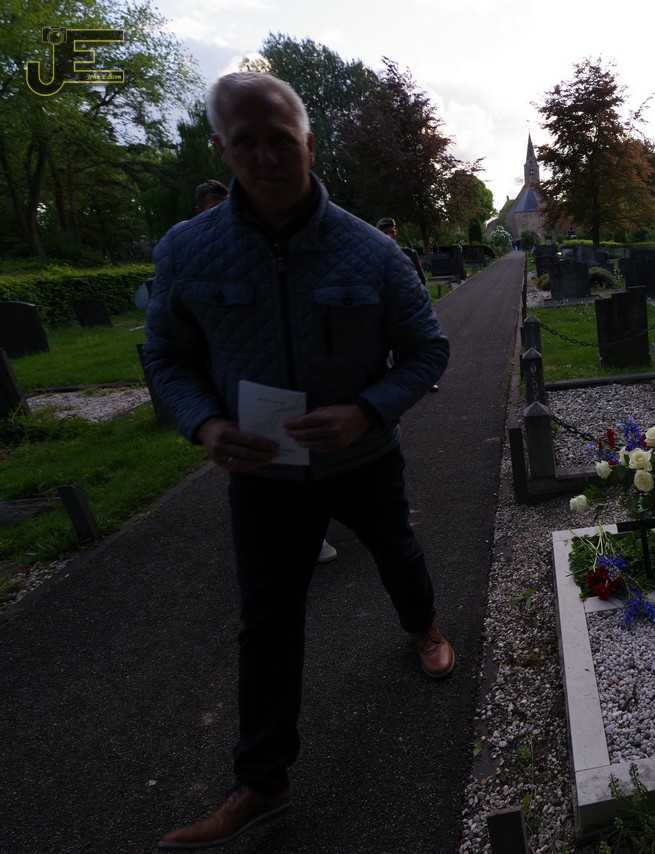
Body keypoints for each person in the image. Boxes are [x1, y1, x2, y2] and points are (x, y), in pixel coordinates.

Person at [143, 71, 453, 849]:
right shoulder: (188, 251)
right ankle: (262, 781)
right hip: (263, 474)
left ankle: (422, 625)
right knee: (267, 620)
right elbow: (168, 357)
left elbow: (426, 350)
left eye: (280, 140)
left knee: (397, 551)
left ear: (309, 144)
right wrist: (204, 425)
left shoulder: (371, 252)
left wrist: (365, 411)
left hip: (362, 459)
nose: (265, 157)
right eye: (245, 141)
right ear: (222, 148)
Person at [194, 179, 341, 563]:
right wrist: (204, 419)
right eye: (212, 208)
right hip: (239, 378)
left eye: (225, 205)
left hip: (291, 367)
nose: (221, 215)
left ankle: (316, 527)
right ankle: (293, 533)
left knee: (307, 452)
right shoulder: (192, 249)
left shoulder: (261, 239)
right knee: (264, 463)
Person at [378, 217, 440, 393]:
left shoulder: (409, 254)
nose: (390, 235)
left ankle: (425, 380)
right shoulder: (375, 256)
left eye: (392, 232)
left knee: (418, 345)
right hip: (387, 310)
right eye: (385, 233)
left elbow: (420, 279)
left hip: (409, 307)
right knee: (389, 350)